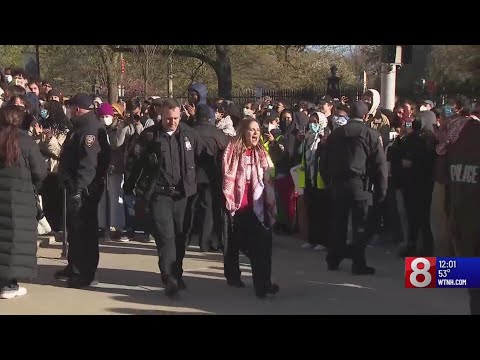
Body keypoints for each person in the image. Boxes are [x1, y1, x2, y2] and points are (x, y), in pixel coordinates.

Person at [124, 99, 204, 297]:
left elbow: (202, 159)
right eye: (169, 118)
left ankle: (177, 273)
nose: (173, 122)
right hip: (159, 194)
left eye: (176, 118)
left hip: (183, 195)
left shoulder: (189, 135)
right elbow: (135, 162)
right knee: (166, 236)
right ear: (161, 115)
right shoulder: (150, 136)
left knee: (181, 236)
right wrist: (130, 185)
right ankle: (169, 278)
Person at [321, 101, 388, 275]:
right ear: (366, 116)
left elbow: (324, 162)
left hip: (337, 184)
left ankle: (333, 259)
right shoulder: (371, 135)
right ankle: (358, 263)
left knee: (337, 224)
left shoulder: (336, 134)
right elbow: (380, 165)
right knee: (360, 226)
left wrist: (328, 182)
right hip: (360, 185)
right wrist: (381, 191)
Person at [56, 93, 111, 288]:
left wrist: (79, 189)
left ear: (77, 109)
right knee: (74, 231)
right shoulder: (79, 127)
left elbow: (88, 164)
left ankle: (84, 273)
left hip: (85, 190)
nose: (69, 111)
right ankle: (74, 266)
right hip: (75, 186)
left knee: (84, 232)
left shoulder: (89, 130)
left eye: (71, 108)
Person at [222, 116, 279, 299]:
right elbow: (226, 174)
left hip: (260, 206)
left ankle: (264, 283)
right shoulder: (232, 150)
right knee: (251, 247)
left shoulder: (261, 152)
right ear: (243, 131)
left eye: (257, 130)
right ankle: (258, 283)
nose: (255, 133)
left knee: (264, 246)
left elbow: (270, 173)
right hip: (240, 207)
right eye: (251, 129)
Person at [0, 105, 47, 299]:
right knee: (15, 241)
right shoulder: (27, 143)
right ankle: (9, 284)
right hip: (21, 198)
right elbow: (40, 173)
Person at [189, 104, 230, 252]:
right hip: (211, 175)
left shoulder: (189, 132)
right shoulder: (218, 134)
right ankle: (206, 242)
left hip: (191, 175)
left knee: (190, 207)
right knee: (209, 209)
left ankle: (185, 239)